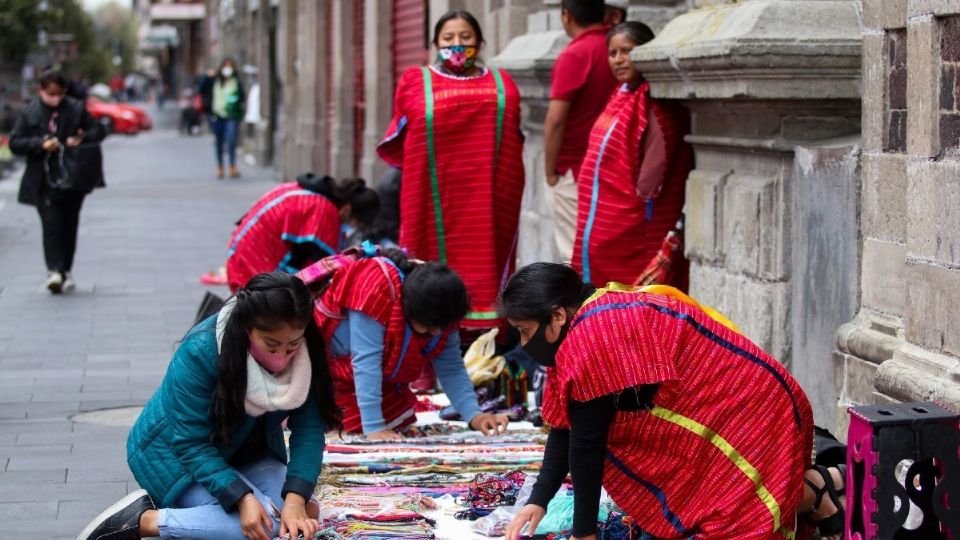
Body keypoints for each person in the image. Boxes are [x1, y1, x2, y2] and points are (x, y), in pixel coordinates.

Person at [500, 263, 846, 540]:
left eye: (525, 330)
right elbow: (567, 426)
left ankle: (816, 494)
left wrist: (584, 533)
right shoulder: (584, 325)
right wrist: (538, 501)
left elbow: (587, 444)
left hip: (750, 407)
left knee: (736, 516)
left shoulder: (592, 336)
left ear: (557, 315)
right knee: (724, 499)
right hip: (735, 403)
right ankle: (818, 489)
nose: (523, 341)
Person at [77, 273, 341, 540]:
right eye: (271, 345)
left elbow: (309, 429)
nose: (282, 356)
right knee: (266, 525)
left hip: (246, 453)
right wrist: (243, 499)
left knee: (302, 512)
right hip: (176, 460)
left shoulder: (307, 353)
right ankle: (141, 520)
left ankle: (210, 512)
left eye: (292, 344)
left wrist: (295, 502)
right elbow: (190, 443)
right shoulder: (201, 351)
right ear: (247, 328)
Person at [377, 10, 525, 331]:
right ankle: (428, 329)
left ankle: (485, 340)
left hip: (487, 198)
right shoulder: (416, 81)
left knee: (487, 258)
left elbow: (513, 131)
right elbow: (405, 135)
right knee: (428, 262)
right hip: (432, 197)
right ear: (435, 44)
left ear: (480, 42)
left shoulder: (502, 82)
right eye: (448, 39)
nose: (457, 45)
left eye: (465, 38)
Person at [313, 248, 510, 440]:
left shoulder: (443, 307)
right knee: (331, 423)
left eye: (442, 327)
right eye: (428, 327)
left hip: (365, 380)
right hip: (325, 372)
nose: (436, 333)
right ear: (406, 309)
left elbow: (451, 367)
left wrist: (475, 416)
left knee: (397, 418)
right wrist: (374, 428)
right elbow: (366, 362)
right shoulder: (376, 288)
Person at [571, 22, 691, 289]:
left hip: (634, 229)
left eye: (627, 51)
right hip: (604, 225)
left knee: (632, 298)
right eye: (612, 53)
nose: (618, 59)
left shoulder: (653, 102)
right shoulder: (622, 94)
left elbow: (651, 179)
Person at [10, 70, 106, 293]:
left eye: (59, 93)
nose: (55, 98)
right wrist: (39, 144)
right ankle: (54, 269)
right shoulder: (30, 113)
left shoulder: (75, 108)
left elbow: (98, 130)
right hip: (43, 179)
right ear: (41, 91)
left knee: (69, 225)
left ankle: (65, 270)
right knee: (51, 224)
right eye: (50, 94)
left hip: (73, 177)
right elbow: (15, 142)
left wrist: (81, 138)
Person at [545, 0, 618, 264]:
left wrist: (550, 172)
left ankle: (585, 307)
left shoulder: (575, 53)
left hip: (574, 171)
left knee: (573, 255)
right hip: (616, 170)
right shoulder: (615, 49)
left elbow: (555, 120)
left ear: (566, 16)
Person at [225, 174, 380, 292]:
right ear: (347, 209)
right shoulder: (324, 210)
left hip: (240, 254)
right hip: (251, 268)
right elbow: (327, 266)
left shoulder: (309, 191)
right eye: (355, 222)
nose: (350, 227)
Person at [211, 58, 246, 179]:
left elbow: (242, 97)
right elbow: (201, 89)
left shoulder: (236, 82)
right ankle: (220, 167)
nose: (227, 69)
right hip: (217, 116)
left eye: (230, 67)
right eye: (225, 66)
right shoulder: (215, 82)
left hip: (231, 116)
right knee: (219, 142)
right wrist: (207, 76)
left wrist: (234, 103)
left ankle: (232, 166)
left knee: (231, 141)